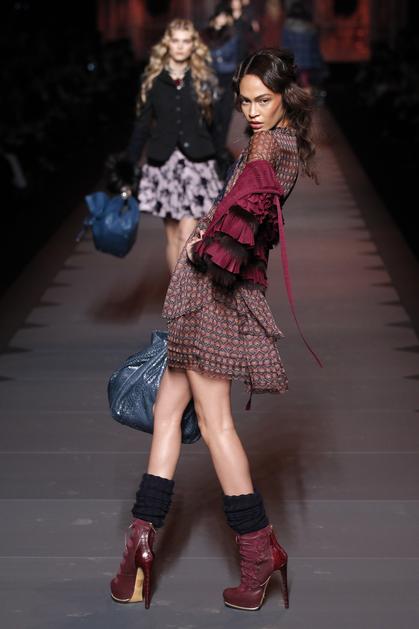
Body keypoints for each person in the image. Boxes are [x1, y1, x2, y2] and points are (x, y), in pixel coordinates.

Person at [110, 48, 317, 611]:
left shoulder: (270, 147)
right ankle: (139, 546)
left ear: (286, 97)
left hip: (215, 299)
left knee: (216, 424)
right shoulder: (274, 141)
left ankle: (257, 552)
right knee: (167, 413)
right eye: (245, 100)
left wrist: (205, 244)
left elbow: (244, 223)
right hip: (206, 294)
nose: (252, 111)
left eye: (263, 100)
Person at [119, 19, 222, 272]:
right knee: (172, 236)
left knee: (187, 234)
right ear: (167, 43)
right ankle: (175, 294)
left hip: (197, 164)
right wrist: (128, 167)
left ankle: (183, 292)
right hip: (164, 164)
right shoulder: (153, 80)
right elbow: (142, 126)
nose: (180, 46)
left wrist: (220, 159)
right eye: (175, 40)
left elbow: (215, 124)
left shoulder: (203, 78)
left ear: (193, 45)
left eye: (186, 41)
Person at [201, 5, 239, 170]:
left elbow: (230, 55)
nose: (223, 19)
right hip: (209, 79)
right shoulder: (204, 34)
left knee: (225, 115)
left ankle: (220, 149)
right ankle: (214, 150)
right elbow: (202, 56)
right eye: (221, 15)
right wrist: (218, 57)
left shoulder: (232, 34)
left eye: (226, 16)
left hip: (226, 79)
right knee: (212, 115)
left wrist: (214, 57)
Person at [281, 1, 326, 95]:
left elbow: (285, 46)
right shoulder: (311, 30)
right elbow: (315, 49)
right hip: (307, 63)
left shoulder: (287, 28)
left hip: (296, 63)